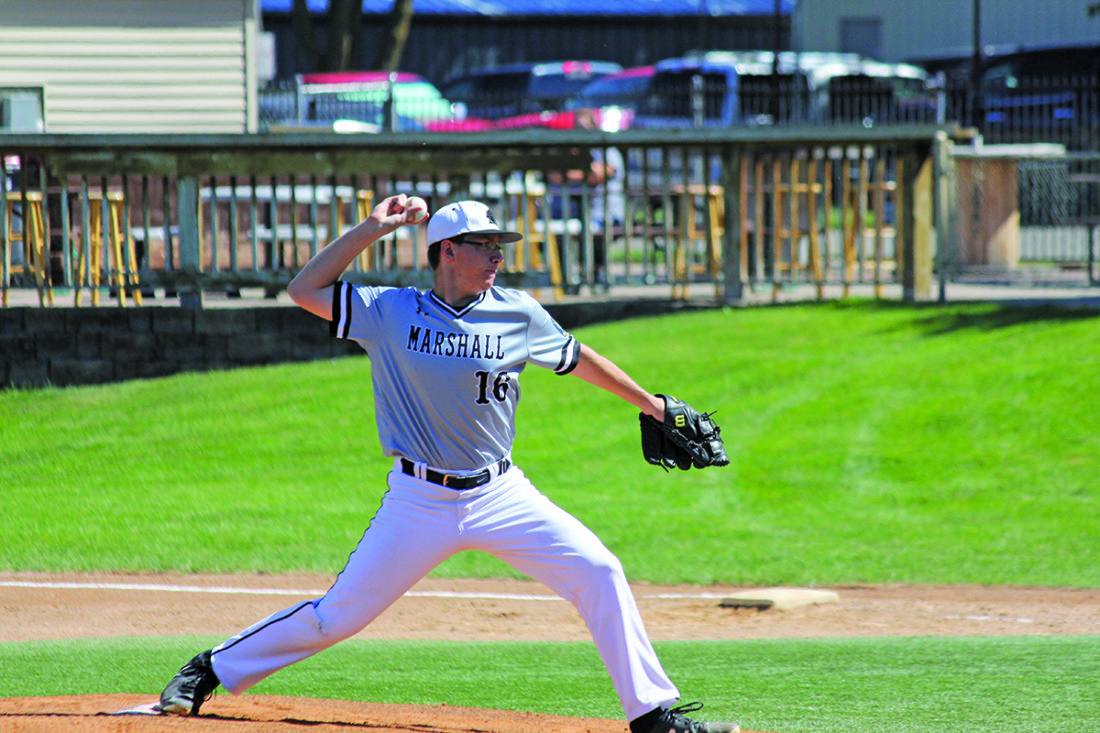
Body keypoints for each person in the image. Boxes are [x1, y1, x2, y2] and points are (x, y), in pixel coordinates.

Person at [157, 195, 737, 733]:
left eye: (499, 245)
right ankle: (210, 668)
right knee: (338, 617)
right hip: (420, 501)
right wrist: (373, 228)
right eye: (485, 245)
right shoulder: (389, 311)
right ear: (448, 251)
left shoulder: (518, 312)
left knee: (600, 570)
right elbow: (304, 288)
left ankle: (652, 716)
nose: (497, 255)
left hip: (501, 495)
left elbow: (578, 358)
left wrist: (652, 404)